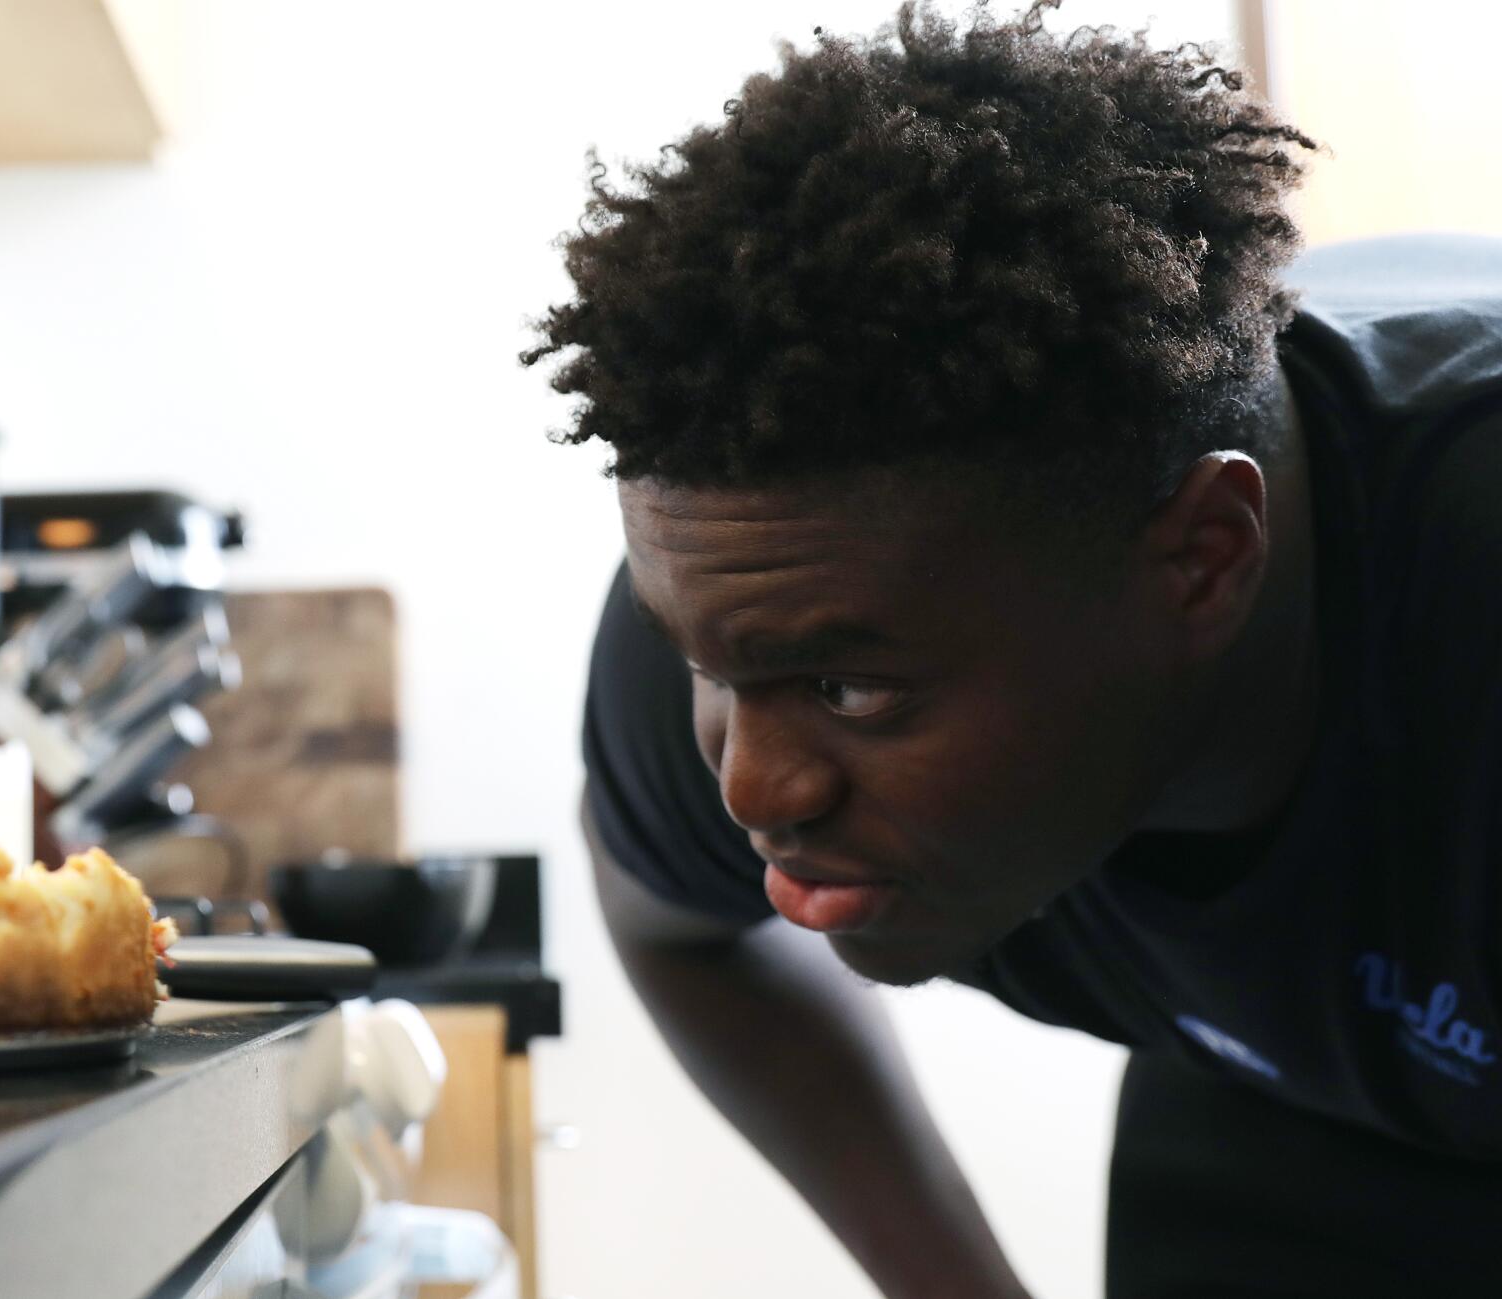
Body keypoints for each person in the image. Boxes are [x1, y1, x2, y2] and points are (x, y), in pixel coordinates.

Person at [522, 3, 1502, 1295]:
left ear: (1202, 560)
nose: (756, 789)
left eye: (853, 691)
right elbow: (677, 929)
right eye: (717, 673)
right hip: (1285, 1087)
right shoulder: (758, 592)